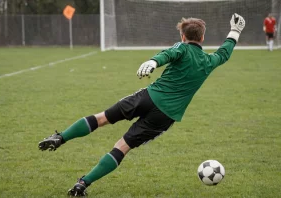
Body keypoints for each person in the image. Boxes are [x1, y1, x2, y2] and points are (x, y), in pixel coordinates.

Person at [38, 13, 245, 197]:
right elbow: (224, 53)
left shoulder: (181, 47)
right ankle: (83, 183)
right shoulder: (209, 61)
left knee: (101, 118)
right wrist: (235, 31)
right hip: (166, 116)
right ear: (202, 38)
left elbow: (168, 54)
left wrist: (153, 62)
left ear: (183, 36)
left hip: (147, 97)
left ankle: (60, 137)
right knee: (122, 147)